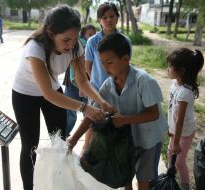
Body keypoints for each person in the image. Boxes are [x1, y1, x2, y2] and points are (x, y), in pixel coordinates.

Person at [12, 5, 114, 190]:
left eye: (75, 39)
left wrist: (101, 101)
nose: (71, 45)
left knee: (60, 141)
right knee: (30, 145)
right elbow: (48, 94)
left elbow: (82, 81)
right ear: (51, 33)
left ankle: (60, 183)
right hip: (25, 94)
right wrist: (84, 108)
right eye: (66, 40)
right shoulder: (35, 48)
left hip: (51, 88)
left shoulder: (76, 47)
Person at [68, 33, 168, 190]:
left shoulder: (144, 81)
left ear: (126, 59)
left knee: (143, 180)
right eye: (102, 63)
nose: (105, 67)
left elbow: (154, 114)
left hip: (148, 140)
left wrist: (123, 120)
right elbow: (93, 114)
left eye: (109, 62)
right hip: (124, 141)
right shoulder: (108, 85)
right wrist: (74, 139)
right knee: (124, 177)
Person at [82, 2, 131, 153]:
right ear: (99, 20)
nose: (108, 20)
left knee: (114, 122)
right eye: (104, 17)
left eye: (112, 16)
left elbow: (126, 65)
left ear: (117, 18)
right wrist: (95, 86)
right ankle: (86, 152)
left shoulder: (125, 41)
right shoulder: (92, 41)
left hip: (118, 89)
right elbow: (88, 66)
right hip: (97, 90)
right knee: (92, 122)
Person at [166, 48, 204, 190]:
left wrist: (176, 142)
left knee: (180, 162)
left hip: (184, 132)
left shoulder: (185, 92)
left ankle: (185, 185)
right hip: (175, 130)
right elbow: (171, 110)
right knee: (170, 154)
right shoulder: (175, 84)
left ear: (181, 70)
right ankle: (171, 178)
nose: (167, 69)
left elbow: (180, 120)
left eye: (170, 66)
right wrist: (169, 128)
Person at [63, 24, 96, 136]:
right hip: (74, 83)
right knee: (71, 110)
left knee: (87, 112)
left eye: (93, 34)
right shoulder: (80, 45)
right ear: (83, 34)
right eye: (89, 34)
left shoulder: (94, 45)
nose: (91, 36)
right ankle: (64, 135)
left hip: (86, 82)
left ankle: (87, 136)